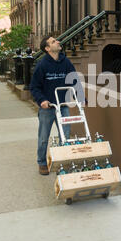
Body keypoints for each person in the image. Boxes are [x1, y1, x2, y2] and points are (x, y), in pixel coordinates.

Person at [30, 35, 83, 175]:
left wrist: (80, 97)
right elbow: (34, 87)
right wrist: (42, 100)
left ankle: (61, 163)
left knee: (65, 136)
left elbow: (74, 80)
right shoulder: (42, 65)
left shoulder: (65, 62)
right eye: (54, 41)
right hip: (48, 108)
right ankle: (42, 162)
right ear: (47, 48)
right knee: (43, 137)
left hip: (63, 105)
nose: (58, 41)